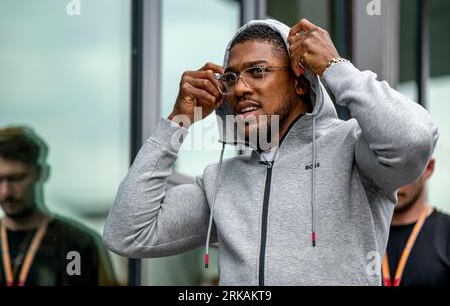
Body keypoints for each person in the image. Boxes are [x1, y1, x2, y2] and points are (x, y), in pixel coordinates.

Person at [103, 18, 438, 285]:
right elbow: (127, 234)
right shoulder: (221, 181)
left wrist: (335, 67)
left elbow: (413, 139)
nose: (240, 88)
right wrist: (177, 123)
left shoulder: (352, 150)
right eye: (231, 78)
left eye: (258, 71)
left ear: (300, 81)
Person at [0, 126, 117, 286]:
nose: (6, 192)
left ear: (41, 173)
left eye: (17, 178)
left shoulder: (77, 242)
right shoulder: (76, 241)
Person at [383, 159, 450, 286]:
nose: (396, 180)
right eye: (388, 167)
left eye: (405, 168)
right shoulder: (358, 235)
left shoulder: (446, 234)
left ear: (428, 168)